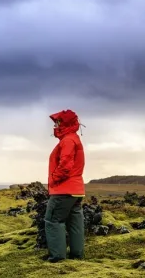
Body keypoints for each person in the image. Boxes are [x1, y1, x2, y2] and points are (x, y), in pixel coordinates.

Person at [45, 109, 85, 263]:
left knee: (53, 220)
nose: (55, 124)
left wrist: (54, 179)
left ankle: (58, 258)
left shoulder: (67, 140)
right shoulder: (74, 138)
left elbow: (65, 165)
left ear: (65, 123)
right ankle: (77, 255)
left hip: (63, 190)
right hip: (76, 190)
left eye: (58, 122)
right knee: (75, 222)